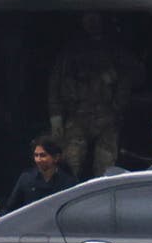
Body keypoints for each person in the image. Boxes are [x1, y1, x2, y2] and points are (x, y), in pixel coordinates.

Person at [48, 13, 142, 178]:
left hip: (107, 116)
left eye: (96, 18)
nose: (91, 23)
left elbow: (136, 74)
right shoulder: (71, 50)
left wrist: (116, 79)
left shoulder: (115, 49)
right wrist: (55, 115)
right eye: (87, 18)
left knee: (105, 167)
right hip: (76, 115)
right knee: (69, 165)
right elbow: (56, 82)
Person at [4, 136, 79, 212]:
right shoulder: (26, 178)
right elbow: (11, 208)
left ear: (56, 157)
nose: (38, 160)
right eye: (36, 155)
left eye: (43, 155)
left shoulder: (68, 182)